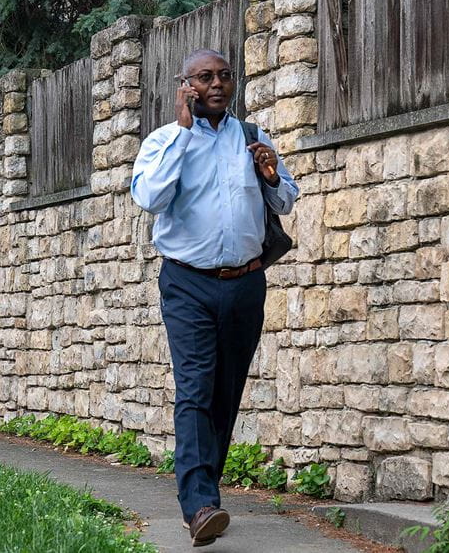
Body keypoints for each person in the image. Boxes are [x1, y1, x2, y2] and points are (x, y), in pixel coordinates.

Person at [130, 49, 299, 547]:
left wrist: (271, 176)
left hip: (246, 282)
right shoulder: (164, 141)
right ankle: (198, 504)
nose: (218, 85)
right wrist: (184, 134)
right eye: (205, 78)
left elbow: (286, 199)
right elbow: (151, 199)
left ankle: (206, 492)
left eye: (225, 76)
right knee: (196, 388)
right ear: (186, 86)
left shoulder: (252, 137)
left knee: (225, 392)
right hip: (188, 283)